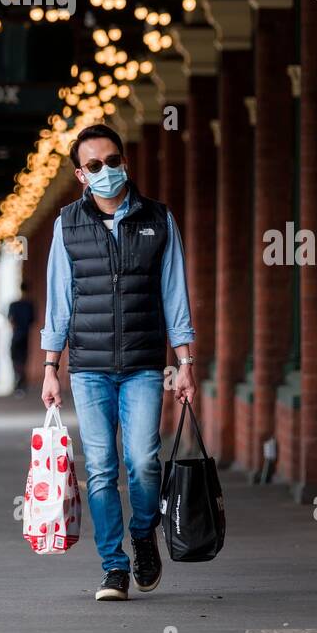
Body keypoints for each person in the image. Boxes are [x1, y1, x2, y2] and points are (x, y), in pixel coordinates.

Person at [40, 123, 196, 602]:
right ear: (80, 175)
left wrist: (185, 360)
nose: (105, 171)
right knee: (103, 467)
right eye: (93, 166)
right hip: (88, 367)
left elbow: (175, 294)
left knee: (144, 463)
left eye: (111, 161)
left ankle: (144, 533)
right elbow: (58, 299)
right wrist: (51, 366)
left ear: (124, 162)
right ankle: (114, 567)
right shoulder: (67, 223)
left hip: (145, 364)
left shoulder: (158, 219)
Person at [7, 282, 35, 396]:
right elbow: (33, 320)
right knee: (24, 359)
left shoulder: (13, 305)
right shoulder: (30, 305)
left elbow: (10, 320)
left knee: (14, 358)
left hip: (16, 335)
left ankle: (18, 381)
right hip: (26, 334)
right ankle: (22, 382)